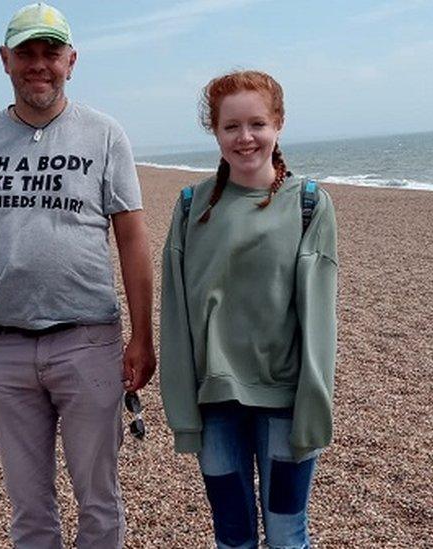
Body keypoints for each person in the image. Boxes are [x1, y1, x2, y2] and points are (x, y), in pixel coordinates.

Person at [0, 3, 156, 548]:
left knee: (99, 499)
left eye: (50, 53)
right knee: (29, 506)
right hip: (3, 349)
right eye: (26, 53)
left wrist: (142, 336)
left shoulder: (105, 135)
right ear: (5, 60)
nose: (38, 65)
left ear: (71, 60)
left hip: (87, 339)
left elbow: (132, 237)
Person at [159, 70, 338, 549]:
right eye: (230, 126)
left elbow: (320, 319)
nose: (245, 138)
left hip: (285, 404)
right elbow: (175, 313)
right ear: (214, 131)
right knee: (233, 537)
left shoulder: (308, 203)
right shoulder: (190, 206)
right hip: (215, 406)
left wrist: (314, 410)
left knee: (286, 533)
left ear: (277, 124)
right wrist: (181, 410)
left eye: (257, 123)